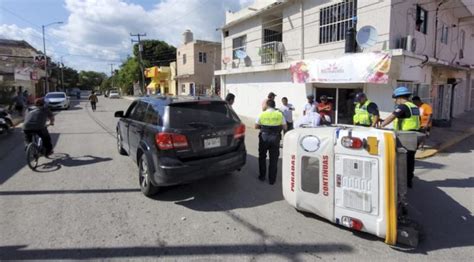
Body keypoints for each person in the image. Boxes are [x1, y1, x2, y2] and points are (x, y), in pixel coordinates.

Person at [381, 87, 420, 188]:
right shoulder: (414, 106)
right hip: (414, 135)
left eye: (394, 98)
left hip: (405, 136)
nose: (394, 101)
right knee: (410, 159)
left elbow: (392, 117)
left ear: (399, 97)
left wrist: (381, 125)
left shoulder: (403, 107)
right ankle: (409, 181)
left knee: (403, 160)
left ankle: (402, 183)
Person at [255, 99, 287, 185]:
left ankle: (262, 176)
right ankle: (272, 180)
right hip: (275, 138)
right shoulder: (280, 114)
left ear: (267, 105)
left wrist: (265, 127)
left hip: (264, 137)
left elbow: (256, 126)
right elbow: (285, 127)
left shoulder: (262, 114)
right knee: (274, 159)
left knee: (262, 157)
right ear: (274, 105)